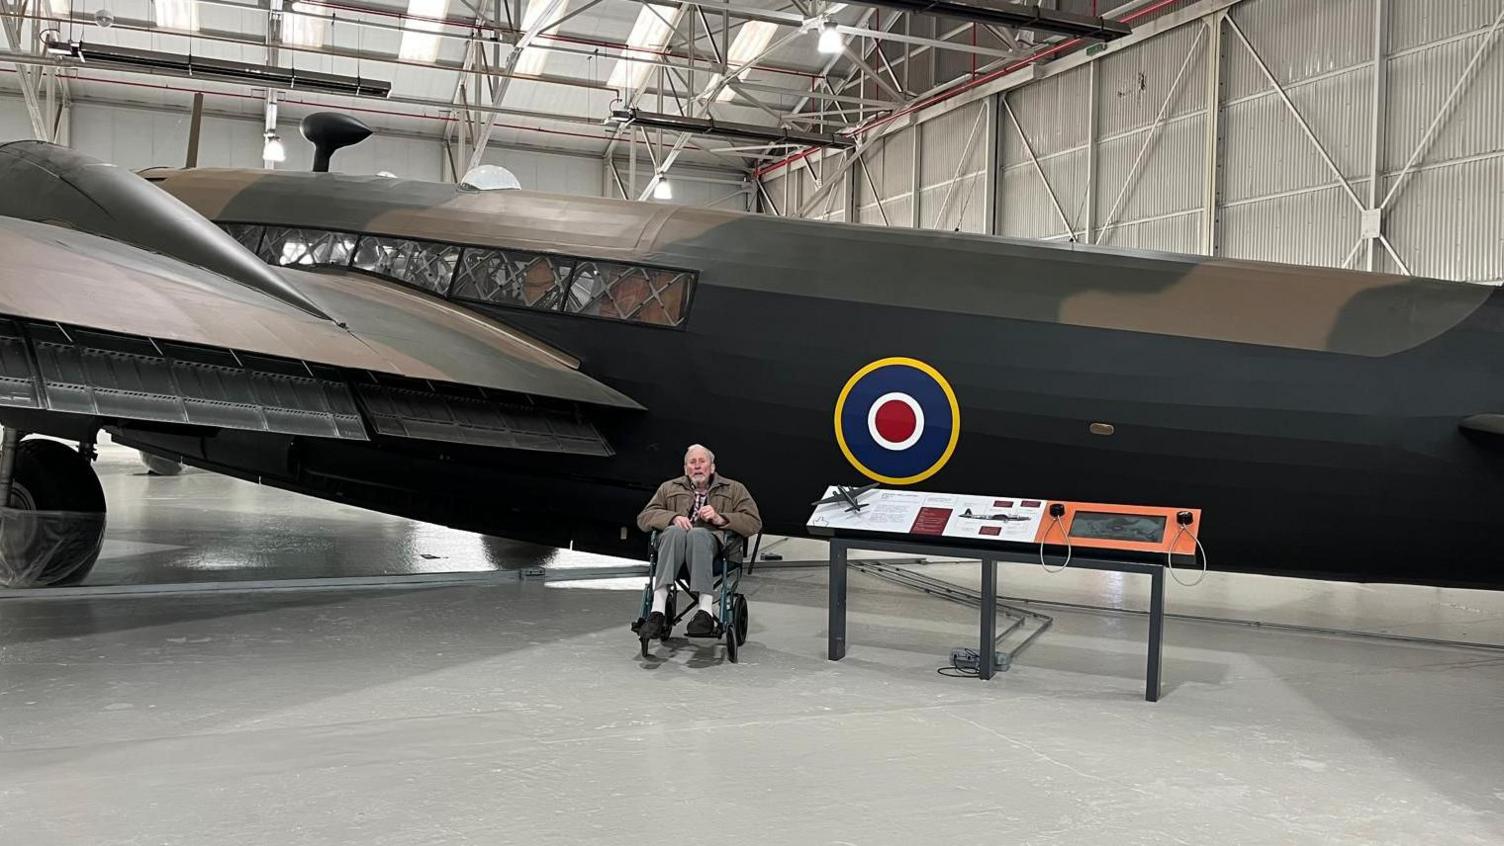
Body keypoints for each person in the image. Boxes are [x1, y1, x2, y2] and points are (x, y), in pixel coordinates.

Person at [636, 444, 761, 638]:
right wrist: (672, 517)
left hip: (715, 551)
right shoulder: (669, 488)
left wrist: (721, 518)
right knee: (673, 532)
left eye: (702, 461)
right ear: (686, 469)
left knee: (698, 534)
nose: (697, 466)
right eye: (692, 462)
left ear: (712, 467)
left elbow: (754, 523)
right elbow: (644, 518)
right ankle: (657, 611)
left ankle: (705, 611)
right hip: (674, 550)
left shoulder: (734, 489)